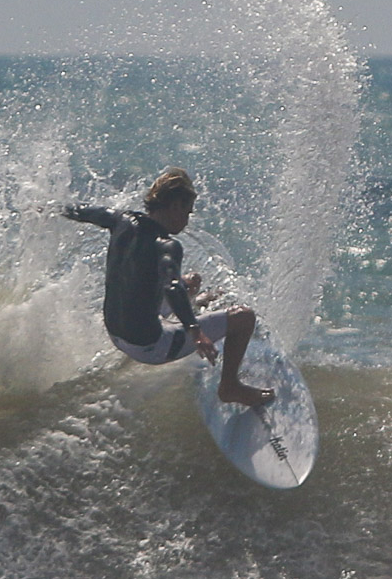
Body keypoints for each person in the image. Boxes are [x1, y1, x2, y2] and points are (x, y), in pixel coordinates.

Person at [62, 168, 274, 407]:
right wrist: (196, 332)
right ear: (174, 207)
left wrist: (50, 208)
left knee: (191, 281)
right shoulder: (167, 245)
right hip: (150, 346)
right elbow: (172, 287)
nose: (187, 220)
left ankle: (197, 308)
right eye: (187, 212)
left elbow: (83, 211)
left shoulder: (121, 220)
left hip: (116, 333)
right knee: (244, 317)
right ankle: (230, 387)